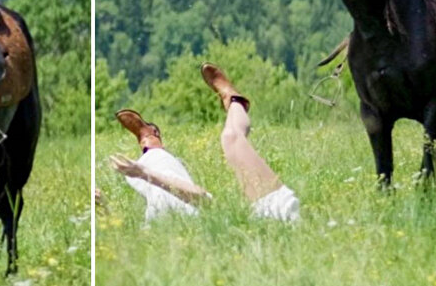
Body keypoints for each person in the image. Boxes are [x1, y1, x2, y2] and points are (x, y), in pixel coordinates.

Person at [109, 62, 300, 222]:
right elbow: (203, 199)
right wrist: (143, 173)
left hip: (163, 209)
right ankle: (235, 101)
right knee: (231, 138)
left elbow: (120, 242)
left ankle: (150, 143)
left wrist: (101, 209)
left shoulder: (153, 238)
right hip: (275, 217)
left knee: (152, 168)